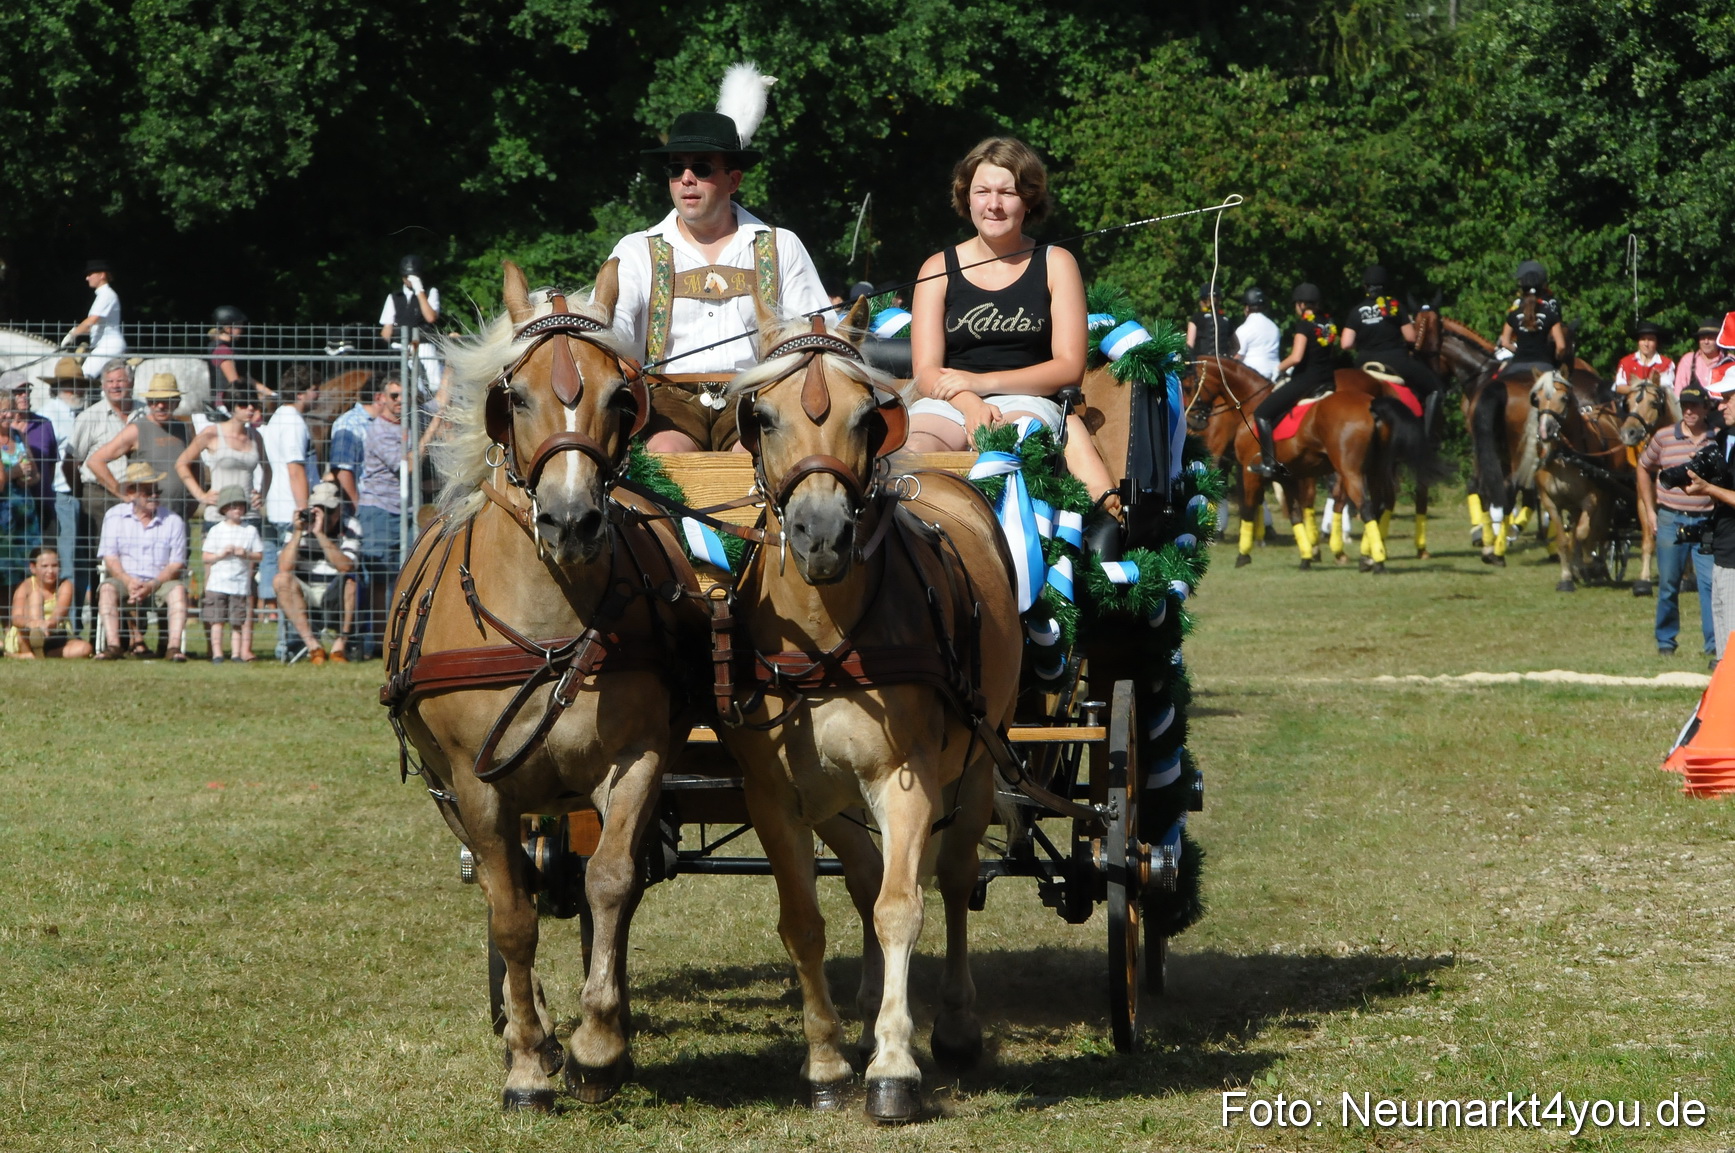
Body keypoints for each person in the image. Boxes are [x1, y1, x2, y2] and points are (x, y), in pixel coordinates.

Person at [603, 65, 829, 451]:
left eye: (702, 167)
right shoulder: (636, 249)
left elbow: (817, 335)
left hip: (759, 399)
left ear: (734, 180)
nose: (686, 178)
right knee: (666, 456)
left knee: (757, 458)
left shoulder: (781, 246)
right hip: (666, 403)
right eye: (676, 169)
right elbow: (614, 331)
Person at [905, 136, 1117, 502]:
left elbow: (1069, 368)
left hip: (1030, 401)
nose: (994, 205)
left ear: (1029, 199)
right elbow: (926, 372)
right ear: (966, 196)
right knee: (913, 453)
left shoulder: (1056, 263)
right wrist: (971, 401)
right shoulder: (937, 268)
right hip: (949, 401)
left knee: (1014, 449)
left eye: (1008, 193)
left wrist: (982, 382)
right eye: (982, 191)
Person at [1639, 382, 1717, 658]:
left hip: (1707, 521)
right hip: (1671, 518)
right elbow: (1643, 466)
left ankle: (1714, 644)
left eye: (1694, 405)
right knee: (1669, 584)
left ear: (1706, 408)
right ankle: (1666, 641)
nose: (1689, 410)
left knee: (1710, 586)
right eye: (1685, 405)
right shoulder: (1663, 437)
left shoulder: (1717, 437)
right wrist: (1650, 510)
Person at [94, 462, 189, 661]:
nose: (154, 496)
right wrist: (128, 581)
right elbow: (110, 557)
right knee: (107, 589)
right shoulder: (114, 517)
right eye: (147, 491)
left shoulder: (173, 521)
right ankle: (113, 646)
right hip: (125, 580)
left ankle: (173, 648)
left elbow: (176, 563)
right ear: (131, 494)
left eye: (156, 490)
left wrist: (152, 584)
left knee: (178, 590)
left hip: (161, 581)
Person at [1340, 264, 1446, 439]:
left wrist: (1364, 341)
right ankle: (1428, 437)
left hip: (1364, 362)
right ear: (1385, 286)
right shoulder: (1395, 306)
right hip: (1395, 361)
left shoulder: (1356, 311)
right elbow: (1411, 338)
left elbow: (1345, 344)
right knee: (1436, 388)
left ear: (1365, 286)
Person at [1250, 283, 1339, 479]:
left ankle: (1268, 463)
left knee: (1262, 413)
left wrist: (1279, 368)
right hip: (1328, 379)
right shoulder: (1328, 323)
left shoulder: (1304, 325)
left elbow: (1297, 357)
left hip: (1307, 380)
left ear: (1300, 304)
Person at [67, 361, 136, 605]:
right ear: (103, 386)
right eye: (110, 381)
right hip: (98, 497)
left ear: (131, 382)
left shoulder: (143, 414)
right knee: (98, 562)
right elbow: (70, 462)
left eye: (121, 380)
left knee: (135, 561)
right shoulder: (90, 417)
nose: (116, 386)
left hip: (140, 498)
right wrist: (81, 494)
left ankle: (133, 635)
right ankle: (98, 624)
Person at [259, 366, 319, 648]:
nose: (316, 394)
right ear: (302, 392)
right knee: (290, 576)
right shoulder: (294, 421)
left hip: (274, 505)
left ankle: (284, 641)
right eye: (313, 389)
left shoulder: (276, 418)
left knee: (276, 574)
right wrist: (304, 509)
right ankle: (290, 642)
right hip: (289, 510)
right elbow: (296, 469)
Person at [85, 373, 195, 524]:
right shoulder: (137, 430)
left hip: (178, 515)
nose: (160, 406)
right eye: (155, 401)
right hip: (145, 518)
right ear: (149, 402)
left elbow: (196, 466)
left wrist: (195, 499)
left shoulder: (184, 428)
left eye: (166, 401)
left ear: (176, 402)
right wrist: (122, 493)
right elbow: (95, 461)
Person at [271, 481, 358, 665]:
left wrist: (320, 534)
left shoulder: (350, 526)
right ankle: (313, 647)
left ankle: (339, 646)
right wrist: (297, 533)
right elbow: (284, 568)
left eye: (328, 510)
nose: (323, 515)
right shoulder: (298, 527)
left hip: (335, 590)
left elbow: (346, 567)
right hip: (305, 591)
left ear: (339, 510)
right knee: (281, 580)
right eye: (318, 509)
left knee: (351, 582)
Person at [355, 381, 405, 658]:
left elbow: (441, 403)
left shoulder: (409, 425)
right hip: (380, 509)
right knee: (380, 577)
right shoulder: (379, 430)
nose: (399, 401)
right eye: (394, 396)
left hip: (404, 510)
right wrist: (431, 429)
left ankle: (396, 638)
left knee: (400, 577)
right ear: (381, 398)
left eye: (404, 396)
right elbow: (405, 464)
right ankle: (376, 641)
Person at [26, 358, 85, 594]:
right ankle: (67, 620)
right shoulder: (48, 416)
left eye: (80, 384)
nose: (78, 390)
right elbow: (48, 460)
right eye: (72, 385)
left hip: (80, 493)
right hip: (61, 493)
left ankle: (77, 618)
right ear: (59, 387)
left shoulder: (78, 412)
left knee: (81, 556)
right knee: (66, 559)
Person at [173, 397, 270, 527]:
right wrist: (201, 495)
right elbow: (181, 464)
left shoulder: (255, 436)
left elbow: (268, 468)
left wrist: (262, 494)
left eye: (253, 404)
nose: (250, 408)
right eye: (244, 404)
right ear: (232, 406)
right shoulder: (211, 433)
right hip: (217, 516)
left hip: (250, 516)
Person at [200, 486, 264, 663]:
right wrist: (220, 555)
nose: (238, 509)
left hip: (239, 584)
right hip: (217, 583)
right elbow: (205, 557)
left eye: (241, 506)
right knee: (217, 620)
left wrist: (246, 554)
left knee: (237, 622)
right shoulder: (216, 531)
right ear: (224, 509)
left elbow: (259, 555)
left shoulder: (250, 531)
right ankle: (217, 653)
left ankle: (236, 653)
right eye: (233, 506)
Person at [5, 547, 91, 659]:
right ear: (33, 568)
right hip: (26, 635)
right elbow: (16, 618)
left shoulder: (65, 585)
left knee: (86, 648)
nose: (50, 571)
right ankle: (36, 641)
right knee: (36, 595)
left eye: (54, 566)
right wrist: (33, 624)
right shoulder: (25, 586)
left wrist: (50, 624)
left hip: (55, 634)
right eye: (44, 566)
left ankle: (32, 656)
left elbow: (60, 613)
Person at [0, 391, 43, 615]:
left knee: (24, 569)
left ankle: (20, 624)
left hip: (24, 514)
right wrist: (14, 471)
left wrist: (28, 477)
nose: (8, 414)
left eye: (10, 409)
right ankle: (5, 626)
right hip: (2, 516)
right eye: (3, 410)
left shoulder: (18, 436)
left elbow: (35, 475)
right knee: (3, 572)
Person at [380, 256, 442, 400]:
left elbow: (430, 317)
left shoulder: (430, 292)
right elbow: (386, 329)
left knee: (433, 382)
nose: (409, 280)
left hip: (422, 343)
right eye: (407, 277)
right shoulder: (394, 297)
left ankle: (430, 404)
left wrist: (419, 291)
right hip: (399, 345)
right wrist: (389, 346)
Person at [1496, 259, 1566, 378]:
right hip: (1544, 365)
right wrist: (1556, 359)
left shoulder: (1514, 313)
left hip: (1517, 364)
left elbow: (1505, 342)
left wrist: (1518, 351)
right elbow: (1561, 346)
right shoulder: (1550, 312)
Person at [61, 260, 127, 378]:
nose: (87, 278)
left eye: (90, 274)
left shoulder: (106, 295)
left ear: (102, 275)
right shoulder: (102, 295)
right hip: (101, 344)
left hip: (108, 345)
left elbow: (91, 321)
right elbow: (94, 326)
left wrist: (73, 334)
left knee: (83, 376)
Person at [329, 378, 386, 509]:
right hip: (366, 509)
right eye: (393, 397)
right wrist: (357, 509)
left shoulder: (382, 422)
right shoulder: (349, 423)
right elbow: (343, 471)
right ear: (379, 397)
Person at [208, 305, 269, 407]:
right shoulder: (222, 350)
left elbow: (245, 378)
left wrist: (270, 393)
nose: (242, 329)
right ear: (228, 328)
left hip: (235, 399)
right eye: (238, 325)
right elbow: (235, 382)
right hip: (226, 403)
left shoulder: (229, 348)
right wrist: (257, 397)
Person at [1614, 321, 1677, 397]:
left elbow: (1666, 387)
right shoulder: (1626, 362)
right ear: (1638, 341)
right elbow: (1619, 387)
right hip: (1630, 404)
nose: (1646, 344)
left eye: (1650, 340)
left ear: (1657, 342)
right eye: (1643, 339)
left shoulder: (1666, 364)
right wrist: (1636, 389)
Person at [1674, 318, 1729, 401]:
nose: (1706, 342)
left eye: (1710, 338)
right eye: (1703, 338)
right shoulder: (1688, 360)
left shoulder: (1730, 361)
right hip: (1692, 409)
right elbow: (1678, 393)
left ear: (1719, 339)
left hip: (1721, 410)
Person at [1233, 287, 1282, 380]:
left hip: (1253, 377)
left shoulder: (1244, 329)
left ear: (1247, 308)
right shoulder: (1274, 327)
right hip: (1274, 376)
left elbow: (1238, 357)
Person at [1186, 284, 1239, 360]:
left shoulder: (1196, 317)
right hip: (1222, 362)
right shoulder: (1226, 319)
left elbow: (1190, 344)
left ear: (1202, 300)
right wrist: (1228, 356)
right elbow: (1236, 346)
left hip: (1202, 362)